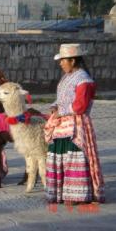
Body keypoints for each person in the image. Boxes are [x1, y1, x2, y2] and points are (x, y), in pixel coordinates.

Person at [44, 43, 105, 204]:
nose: (60, 63)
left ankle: (75, 194)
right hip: (61, 125)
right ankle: (61, 192)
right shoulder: (67, 77)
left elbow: (80, 106)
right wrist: (54, 106)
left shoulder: (83, 80)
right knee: (60, 156)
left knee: (73, 157)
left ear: (72, 60)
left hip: (76, 125)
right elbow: (62, 97)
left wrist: (60, 110)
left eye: (63, 60)